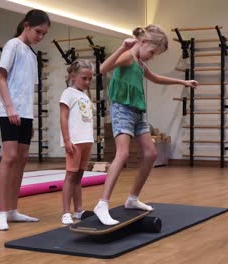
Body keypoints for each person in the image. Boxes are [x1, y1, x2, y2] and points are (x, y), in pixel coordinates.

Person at [94, 25, 199, 225]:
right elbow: (102, 69)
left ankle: (132, 198)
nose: (152, 56)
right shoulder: (126, 57)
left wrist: (183, 83)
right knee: (122, 154)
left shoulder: (140, 63)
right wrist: (121, 48)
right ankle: (102, 203)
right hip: (122, 109)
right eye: (152, 52)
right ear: (142, 42)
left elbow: (156, 78)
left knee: (151, 154)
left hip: (137, 111)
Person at [0, 9, 50, 231]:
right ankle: (1, 212)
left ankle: (13, 210)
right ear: (26, 25)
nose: (40, 37)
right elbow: (0, 76)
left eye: (44, 34)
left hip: (24, 113)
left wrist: (30, 119)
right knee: (10, 157)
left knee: (23, 158)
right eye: (38, 31)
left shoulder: (32, 55)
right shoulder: (12, 45)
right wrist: (9, 107)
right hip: (9, 110)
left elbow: (27, 89)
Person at [59, 60, 94, 225]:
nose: (87, 82)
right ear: (73, 76)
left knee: (79, 176)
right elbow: (63, 117)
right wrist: (67, 140)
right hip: (75, 141)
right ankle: (66, 211)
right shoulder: (68, 93)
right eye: (84, 78)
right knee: (70, 175)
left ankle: (79, 210)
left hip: (86, 140)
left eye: (89, 79)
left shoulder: (84, 95)